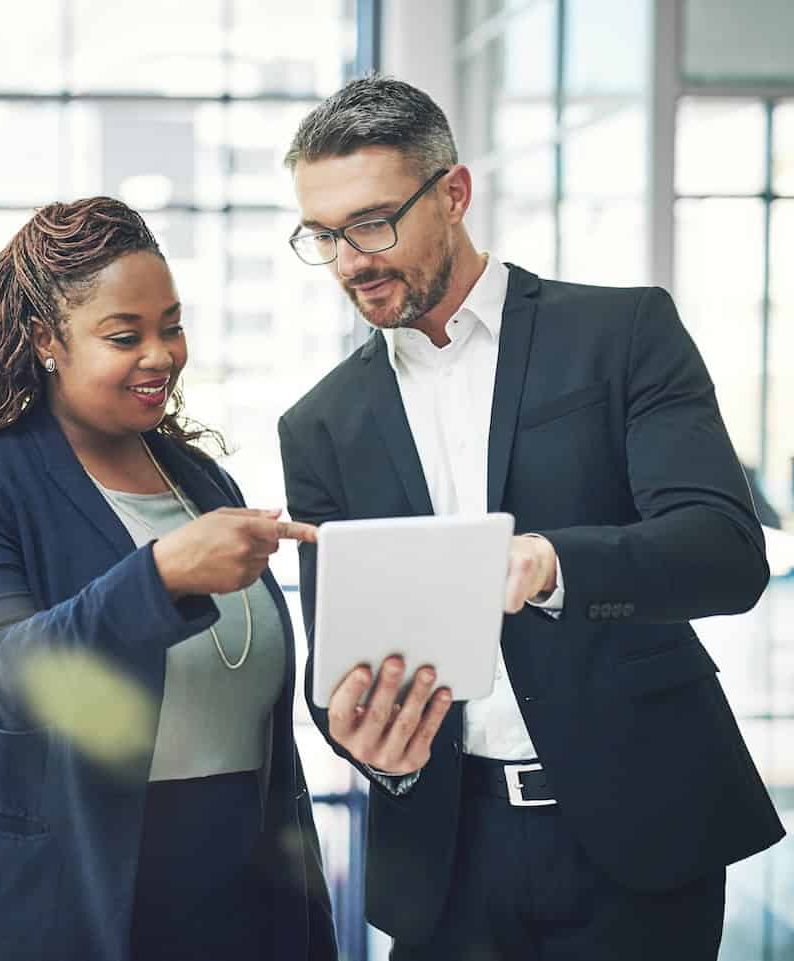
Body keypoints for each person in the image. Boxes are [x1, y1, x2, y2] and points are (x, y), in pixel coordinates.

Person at [277, 76, 785, 960]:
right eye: (323, 235)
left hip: (640, 843)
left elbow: (726, 552)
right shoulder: (319, 424)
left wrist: (551, 562)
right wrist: (362, 739)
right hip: (449, 862)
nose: (350, 259)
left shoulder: (622, 332)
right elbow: (343, 659)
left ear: (455, 193)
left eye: (371, 222)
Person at [0, 197, 337, 961]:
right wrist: (162, 574)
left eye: (171, 325)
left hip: (231, 912)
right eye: (124, 335)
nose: (161, 354)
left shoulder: (200, 479)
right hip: (60, 911)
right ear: (46, 341)